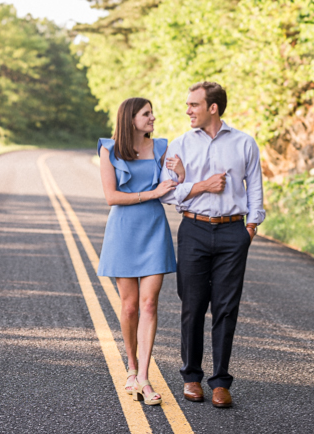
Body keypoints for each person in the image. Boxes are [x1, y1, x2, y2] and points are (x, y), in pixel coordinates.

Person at [161, 81, 264, 408]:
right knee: (192, 305)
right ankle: (192, 377)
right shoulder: (180, 145)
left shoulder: (244, 143)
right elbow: (167, 192)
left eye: (194, 105)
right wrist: (200, 185)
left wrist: (250, 227)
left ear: (213, 108)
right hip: (193, 229)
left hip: (234, 233)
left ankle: (220, 382)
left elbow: (255, 188)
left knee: (226, 308)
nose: (188, 110)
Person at [97, 97, 179, 406]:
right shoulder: (109, 149)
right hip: (123, 232)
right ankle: (131, 368)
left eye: (152, 113)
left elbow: (173, 185)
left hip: (154, 231)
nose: (153, 118)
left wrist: (179, 172)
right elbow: (111, 196)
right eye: (147, 114)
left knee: (149, 304)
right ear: (131, 118)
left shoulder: (160, 147)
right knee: (130, 307)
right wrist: (151, 193)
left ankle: (144, 376)